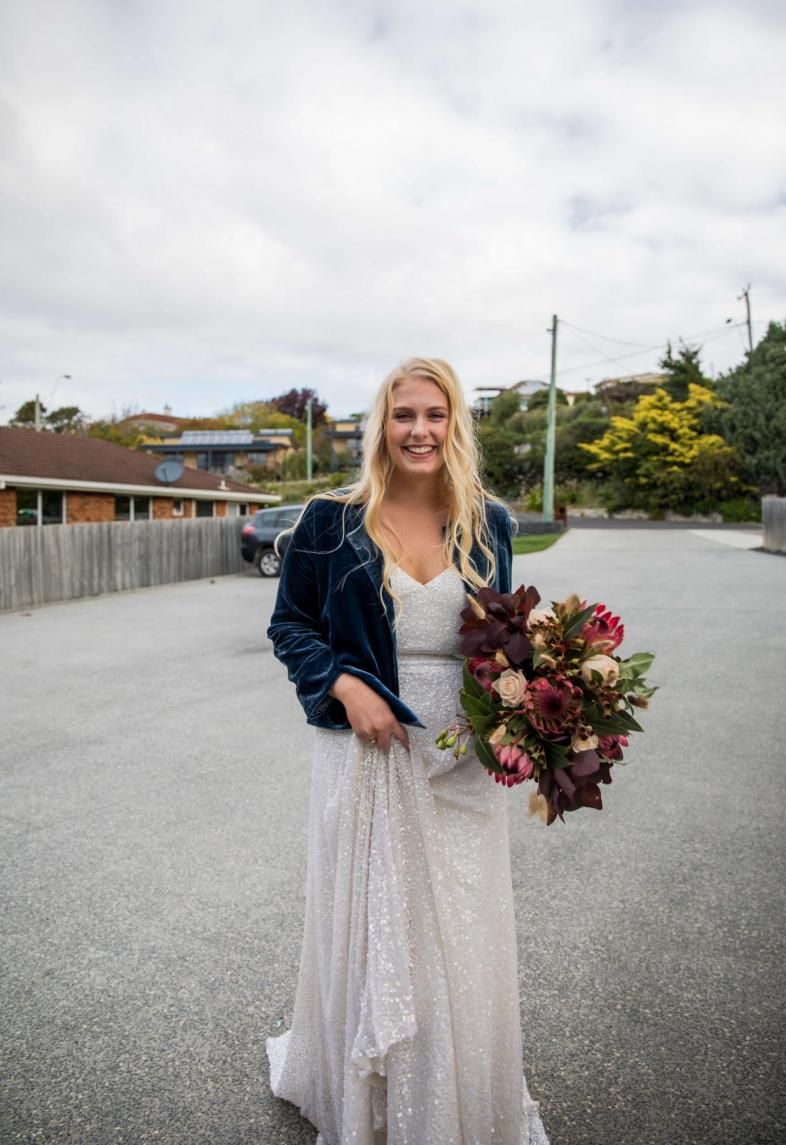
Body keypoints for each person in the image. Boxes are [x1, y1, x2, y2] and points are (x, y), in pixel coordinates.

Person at [265, 357, 550, 1144]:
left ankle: (456, 1096)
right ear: (380, 425)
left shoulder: (489, 522)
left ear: (455, 423)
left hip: (461, 753)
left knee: (457, 926)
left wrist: (533, 709)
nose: (418, 430)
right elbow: (290, 627)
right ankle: (375, 1101)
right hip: (368, 751)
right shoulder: (332, 518)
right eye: (403, 415)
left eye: (434, 414)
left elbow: (504, 636)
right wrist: (344, 686)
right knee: (375, 926)